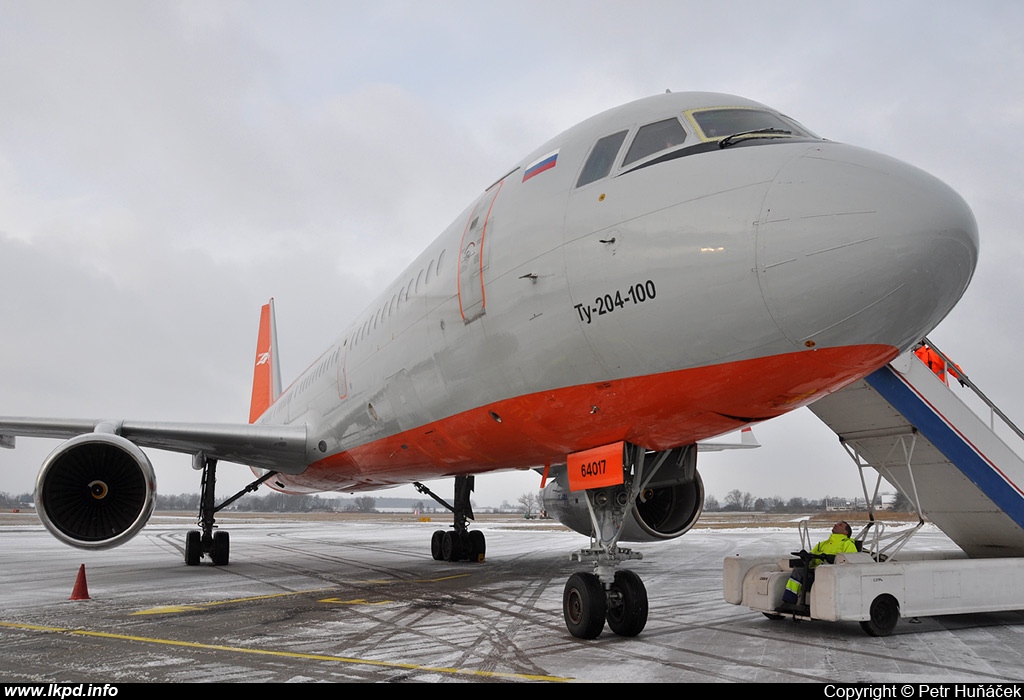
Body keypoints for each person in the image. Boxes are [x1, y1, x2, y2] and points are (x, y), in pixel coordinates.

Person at [781, 522, 858, 610]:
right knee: (798, 572)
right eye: (836, 523)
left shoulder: (848, 544)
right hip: (816, 574)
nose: (835, 525)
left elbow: (850, 563)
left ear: (845, 532)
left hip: (832, 577)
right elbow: (812, 558)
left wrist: (833, 559)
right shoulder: (822, 544)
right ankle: (789, 602)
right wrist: (805, 556)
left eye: (840, 525)